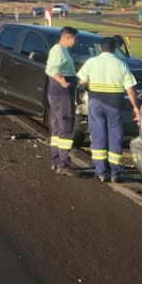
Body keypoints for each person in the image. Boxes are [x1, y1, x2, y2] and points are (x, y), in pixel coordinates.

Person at [77, 37, 139, 182]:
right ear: (114, 49)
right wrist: (136, 107)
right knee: (115, 137)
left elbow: (82, 81)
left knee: (98, 136)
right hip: (115, 104)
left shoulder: (91, 62)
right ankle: (115, 173)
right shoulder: (121, 64)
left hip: (96, 103)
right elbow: (131, 90)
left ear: (100, 48)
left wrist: (88, 87)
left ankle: (101, 172)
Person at [43, 26, 80, 175]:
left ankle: (57, 159)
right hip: (61, 93)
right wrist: (62, 81)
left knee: (58, 126)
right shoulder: (58, 51)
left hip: (59, 92)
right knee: (66, 126)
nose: (76, 41)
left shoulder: (62, 51)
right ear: (68, 37)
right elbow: (53, 69)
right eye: (75, 38)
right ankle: (63, 162)